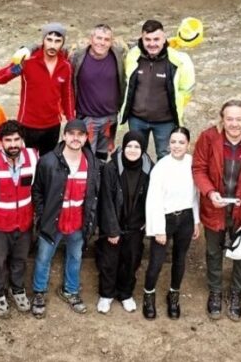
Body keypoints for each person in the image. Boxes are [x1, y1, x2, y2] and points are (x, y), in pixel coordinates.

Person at [191, 99, 241, 321]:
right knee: (213, 252)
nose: (234, 124)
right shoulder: (209, 138)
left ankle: (236, 292)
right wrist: (209, 192)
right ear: (222, 119)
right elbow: (198, 168)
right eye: (229, 119)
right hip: (215, 208)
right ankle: (215, 291)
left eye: (239, 119)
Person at [30, 119, 100, 317]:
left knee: (75, 257)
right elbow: (37, 191)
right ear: (64, 136)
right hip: (53, 222)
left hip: (78, 222)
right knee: (44, 257)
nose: (75, 138)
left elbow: (94, 193)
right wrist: (43, 214)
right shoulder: (48, 161)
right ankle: (39, 293)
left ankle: (71, 291)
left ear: (86, 138)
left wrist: (91, 220)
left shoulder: (92, 163)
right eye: (72, 134)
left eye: (80, 135)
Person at [0, 120, 38, 318]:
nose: (13, 144)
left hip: (24, 222)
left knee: (20, 258)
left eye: (16, 139)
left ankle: (17, 288)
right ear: (0, 142)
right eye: (8, 140)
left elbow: (36, 186)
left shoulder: (34, 158)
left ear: (22, 141)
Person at [142, 128, 200, 320]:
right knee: (156, 262)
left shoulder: (193, 164)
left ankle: (174, 294)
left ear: (188, 144)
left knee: (180, 258)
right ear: (168, 144)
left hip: (186, 218)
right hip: (165, 218)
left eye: (181, 142)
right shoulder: (161, 167)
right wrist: (158, 229)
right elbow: (153, 200)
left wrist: (196, 221)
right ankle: (148, 294)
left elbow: (195, 196)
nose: (176, 146)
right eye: (173, 142)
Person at [0, 22, 75, 157]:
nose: (52, 45)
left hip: (53, 126)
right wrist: (16, 68)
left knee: (47, 165)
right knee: (26, 165)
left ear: (62, 43)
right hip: (28, 125)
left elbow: (67, 95)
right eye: (49, 40)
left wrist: (71, 121)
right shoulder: (28, 60)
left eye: (57, 41)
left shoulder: (66, 66)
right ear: (43, 40)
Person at [95, 130, 153, 314]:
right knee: (109, 262)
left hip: (136, 227)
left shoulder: (149, 168)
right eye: (129, 146)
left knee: (131, 261)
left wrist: (147, 221)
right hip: (115, 225)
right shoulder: (111, 168)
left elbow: (152, 198)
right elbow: (106, 200)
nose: (133, 150)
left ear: (143, 149)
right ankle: (106, 294)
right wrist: (112, 230)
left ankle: (126, 294)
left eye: (137, 146)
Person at [120, 19, 195, 160]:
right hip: (136, 119)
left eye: (156, 39)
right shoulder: (133, 56)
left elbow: (187, 90)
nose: (152, 43)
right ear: (141, 39)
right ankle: (142, 182)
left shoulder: (178, 60)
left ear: (164, 38)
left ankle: (163, 183)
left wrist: (176, 109)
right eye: (147, 39)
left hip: (165, 121)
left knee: (165, 156)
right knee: (136, 155)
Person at [69, 24, 126, 162]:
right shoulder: (77, 57)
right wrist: (28, 48)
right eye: (98, 38)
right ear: (91, 39)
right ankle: (87, 183)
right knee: (86, 157)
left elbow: (143, 44)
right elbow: (51, 45)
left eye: (106, 39)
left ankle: (99, 182)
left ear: (111, 42)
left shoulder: (118, 54)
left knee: (102, 156)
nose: (102, 42)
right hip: (87, 118)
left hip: (110, 118)